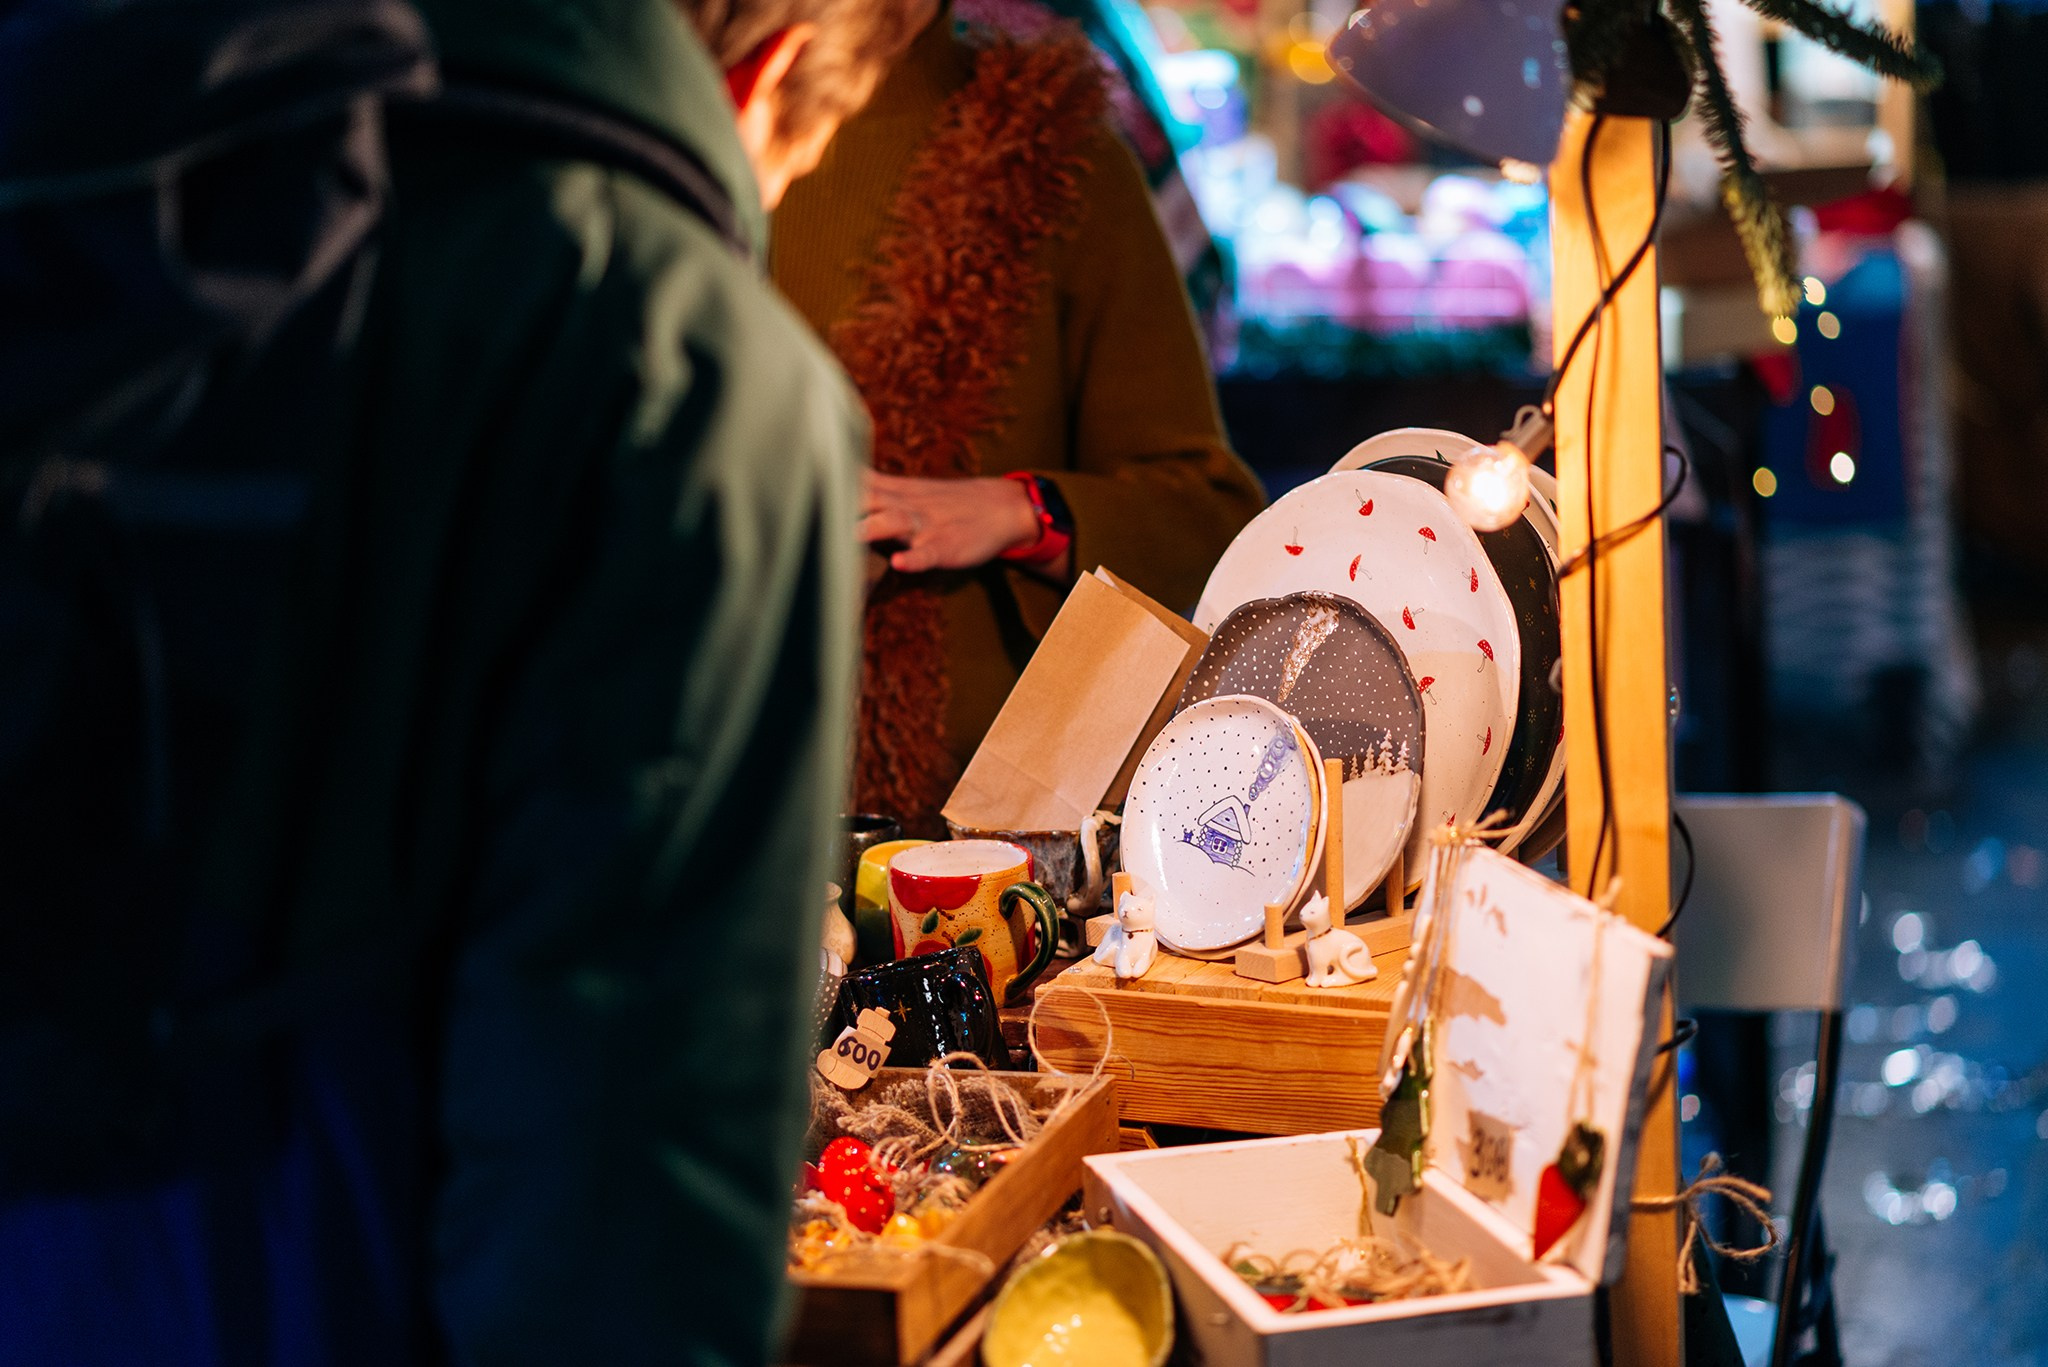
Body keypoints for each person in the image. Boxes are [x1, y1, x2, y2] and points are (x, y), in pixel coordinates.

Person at [0, 0, 912, 1363]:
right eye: (792, 170)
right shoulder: (678, 360)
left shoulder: (78, 180)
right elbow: (620, 1198)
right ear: (767, 74)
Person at [772, 1, 1265, 836]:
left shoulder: (1056, 155)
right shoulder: (686, 155)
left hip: (996, 828)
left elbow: (1207, 519)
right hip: (712, 797)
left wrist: (1021, 511)